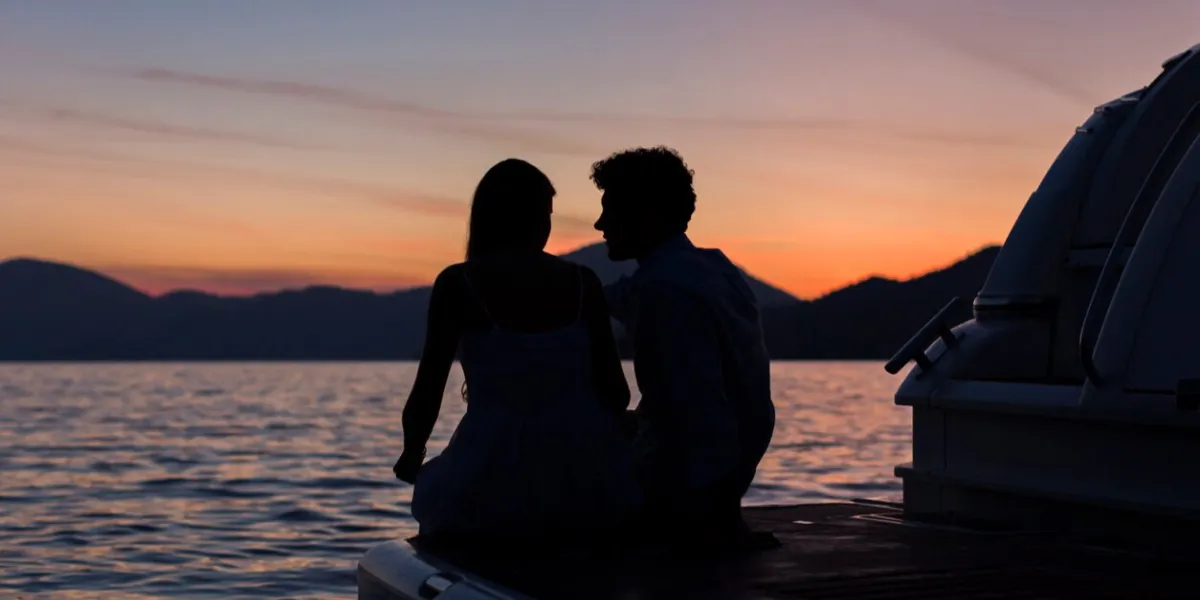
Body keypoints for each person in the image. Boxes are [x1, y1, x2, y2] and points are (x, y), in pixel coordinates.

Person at [392, 158, 641, 544]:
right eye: (546, 214)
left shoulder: (458, 284)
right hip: (583, 472)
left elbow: (428, 390)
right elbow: (616, 393)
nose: (547, 225)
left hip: (489, 470)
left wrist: (411, 455)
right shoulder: (583, 283)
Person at [590, 146, 777, 551]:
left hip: (689, 493)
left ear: (646, 215)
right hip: (725, 471)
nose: (599, 224)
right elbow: (615, 297)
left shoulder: (665, 291)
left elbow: (700, 410)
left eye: (611, 211)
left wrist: (723, 522)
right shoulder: (712, 269)